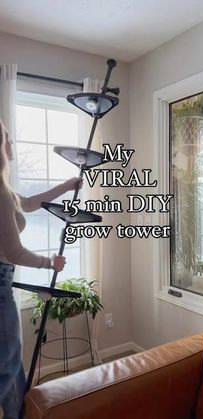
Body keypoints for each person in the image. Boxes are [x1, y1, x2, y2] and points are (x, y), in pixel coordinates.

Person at [0, 118, 83, 418]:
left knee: (10, 365)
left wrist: (67, 185)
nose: (11, 142)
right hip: (1, 283)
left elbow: (31, 203)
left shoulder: (4, 189)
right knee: (8, 368)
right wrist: (50, 262)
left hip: (3, 282)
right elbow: (13, 251)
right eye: (7, 137)